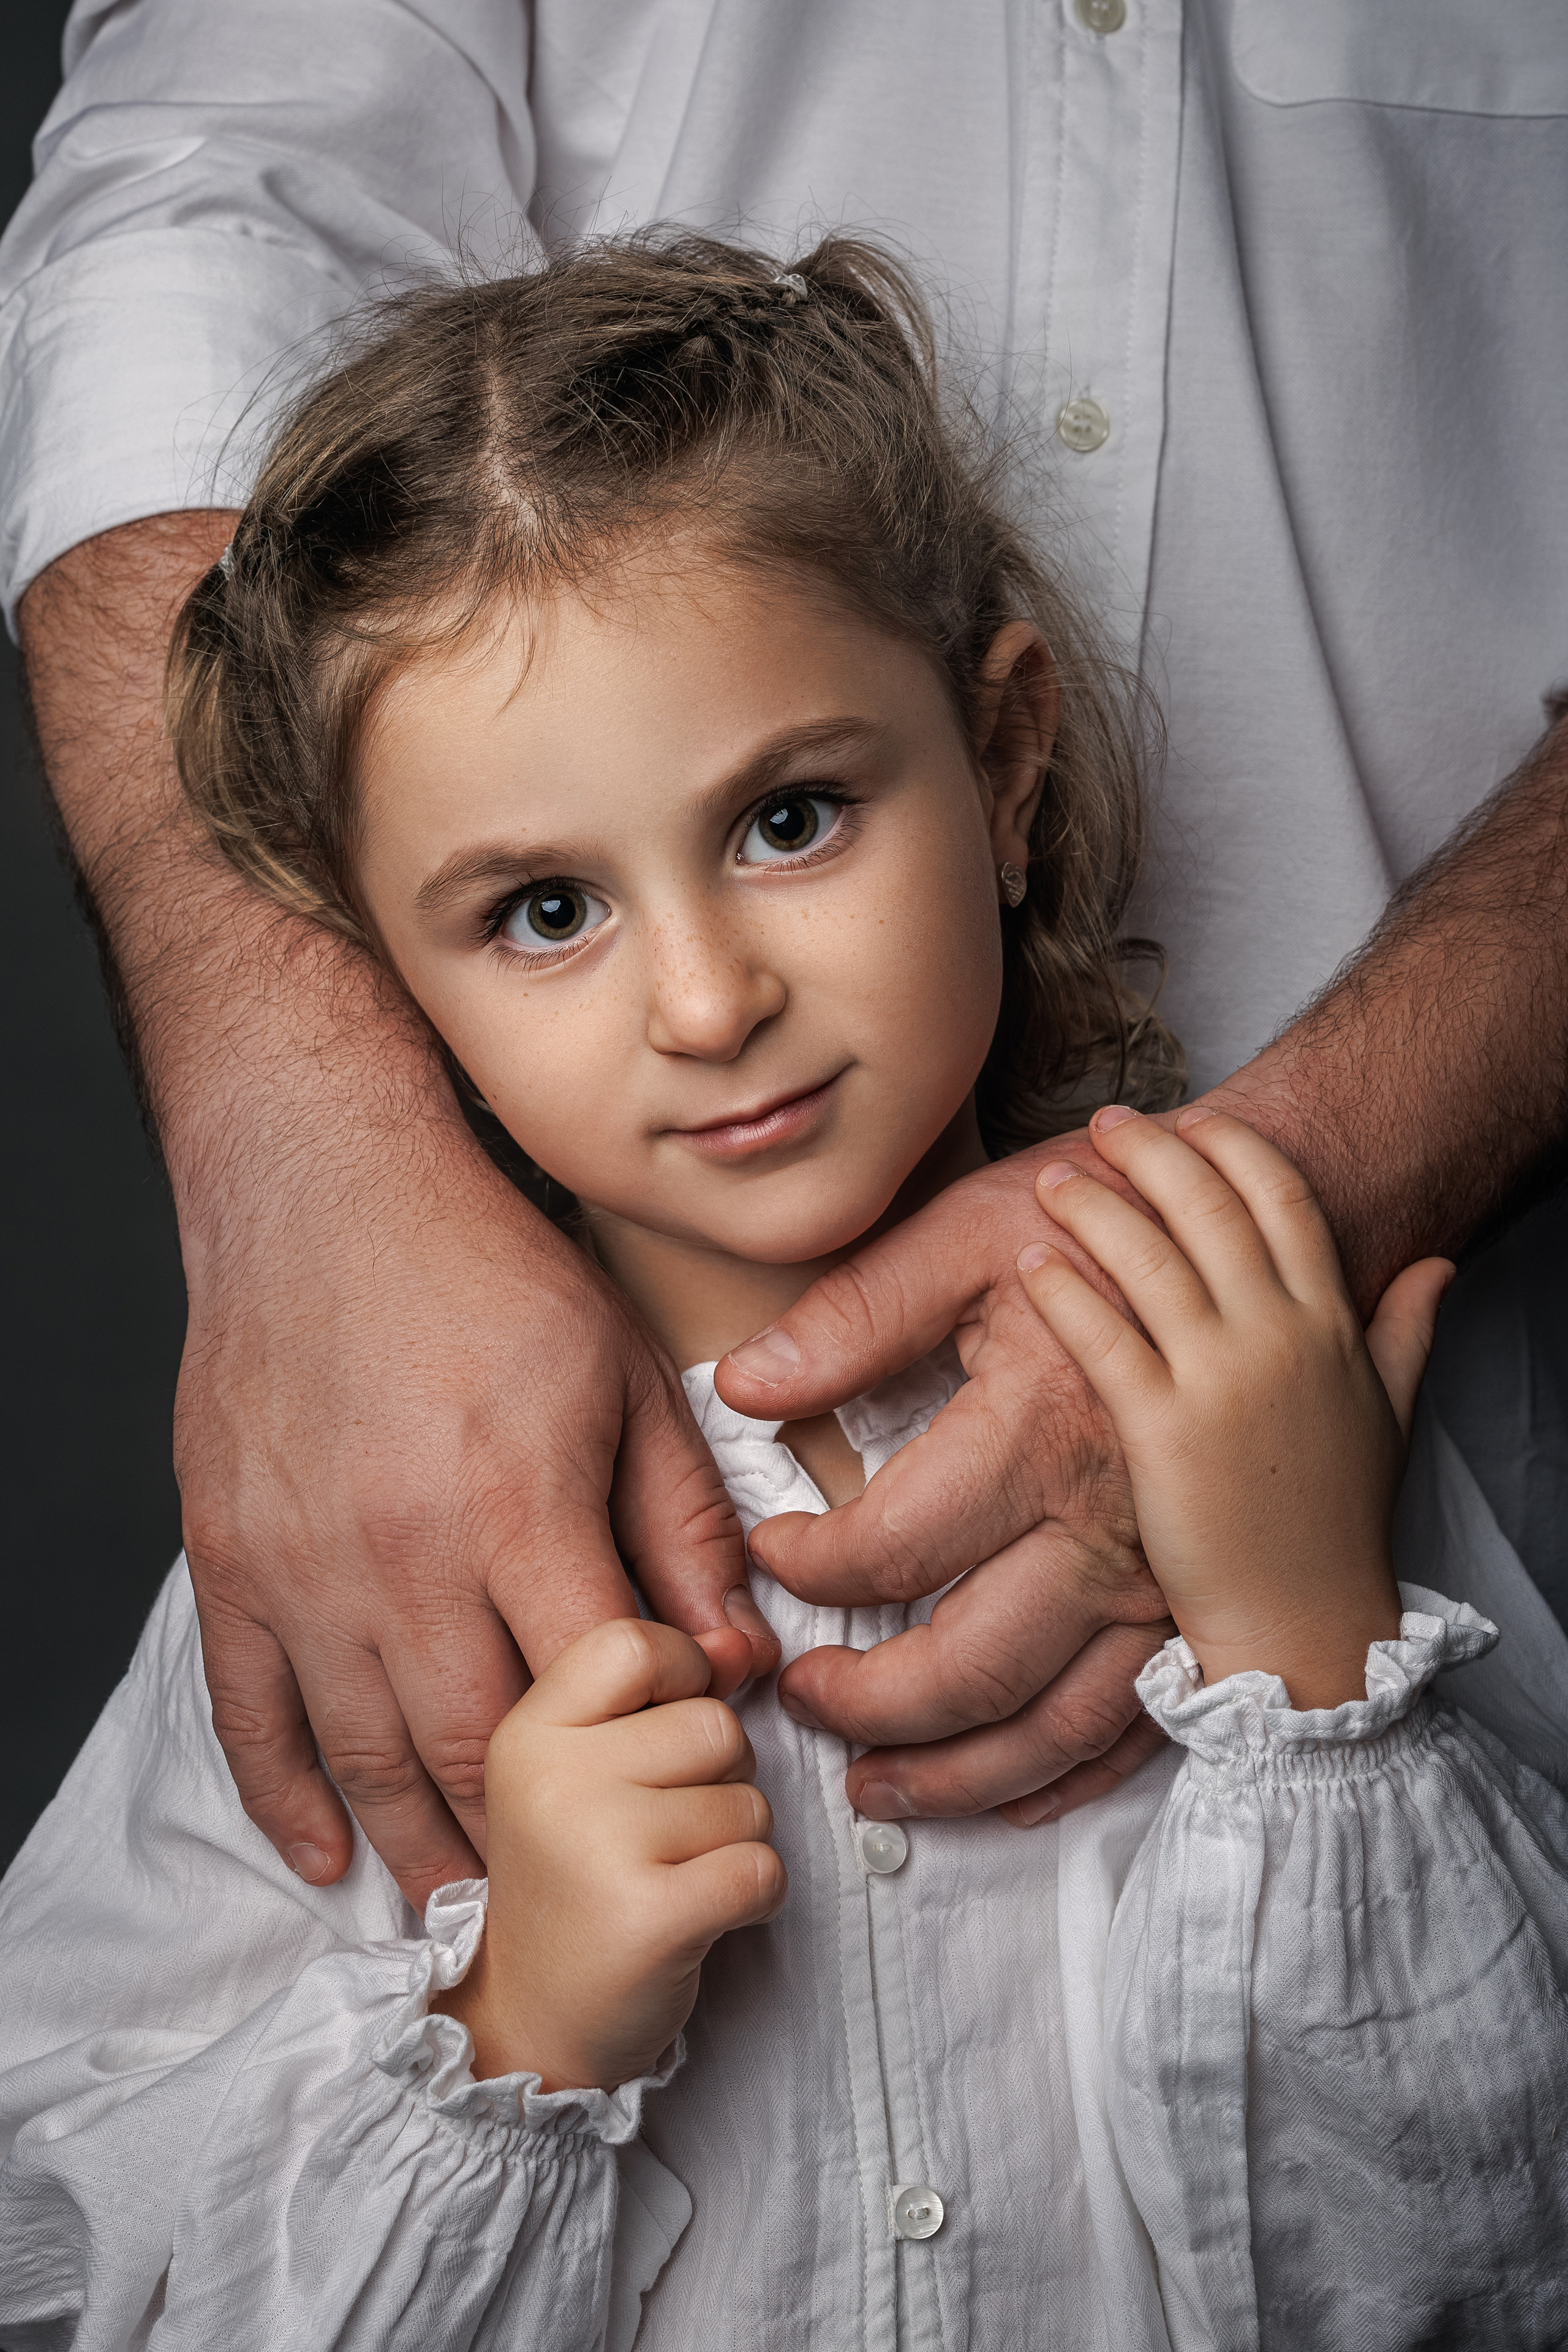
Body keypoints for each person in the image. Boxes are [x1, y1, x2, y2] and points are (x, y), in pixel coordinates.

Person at [3, 233, 1566, 2352]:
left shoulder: (1259, 1379)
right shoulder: (364, 1552)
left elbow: (1481, 2269)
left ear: (1003, 764)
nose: (711, 998)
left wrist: (1309, 1668)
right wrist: (522, 2026)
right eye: (545, 908)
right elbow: (99, 2264)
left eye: (792, 817)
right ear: (379, 970)